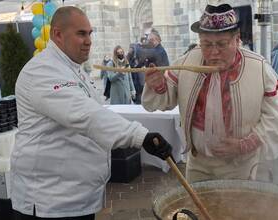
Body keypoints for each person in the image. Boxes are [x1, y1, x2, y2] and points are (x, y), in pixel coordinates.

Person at [11, 6, 172, 220]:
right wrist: (140, 136)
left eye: (90, 33)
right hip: (49, 201)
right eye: (80, 33)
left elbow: (96, 111)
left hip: (75, 198)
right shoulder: (42, 71)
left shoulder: (73, 69)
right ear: (57, 34)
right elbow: (86, 115)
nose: (88, 40)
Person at [142, 4, 278, 183]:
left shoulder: (259, 68)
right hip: (197, 164)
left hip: (240, 166)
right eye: (206, 44)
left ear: (237, 40)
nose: (213, 52)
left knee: (235, 210)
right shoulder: (188, 60)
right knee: (199, 210)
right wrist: (158, 85)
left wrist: (244, 145)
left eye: (222, 44)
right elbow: (163, 100)